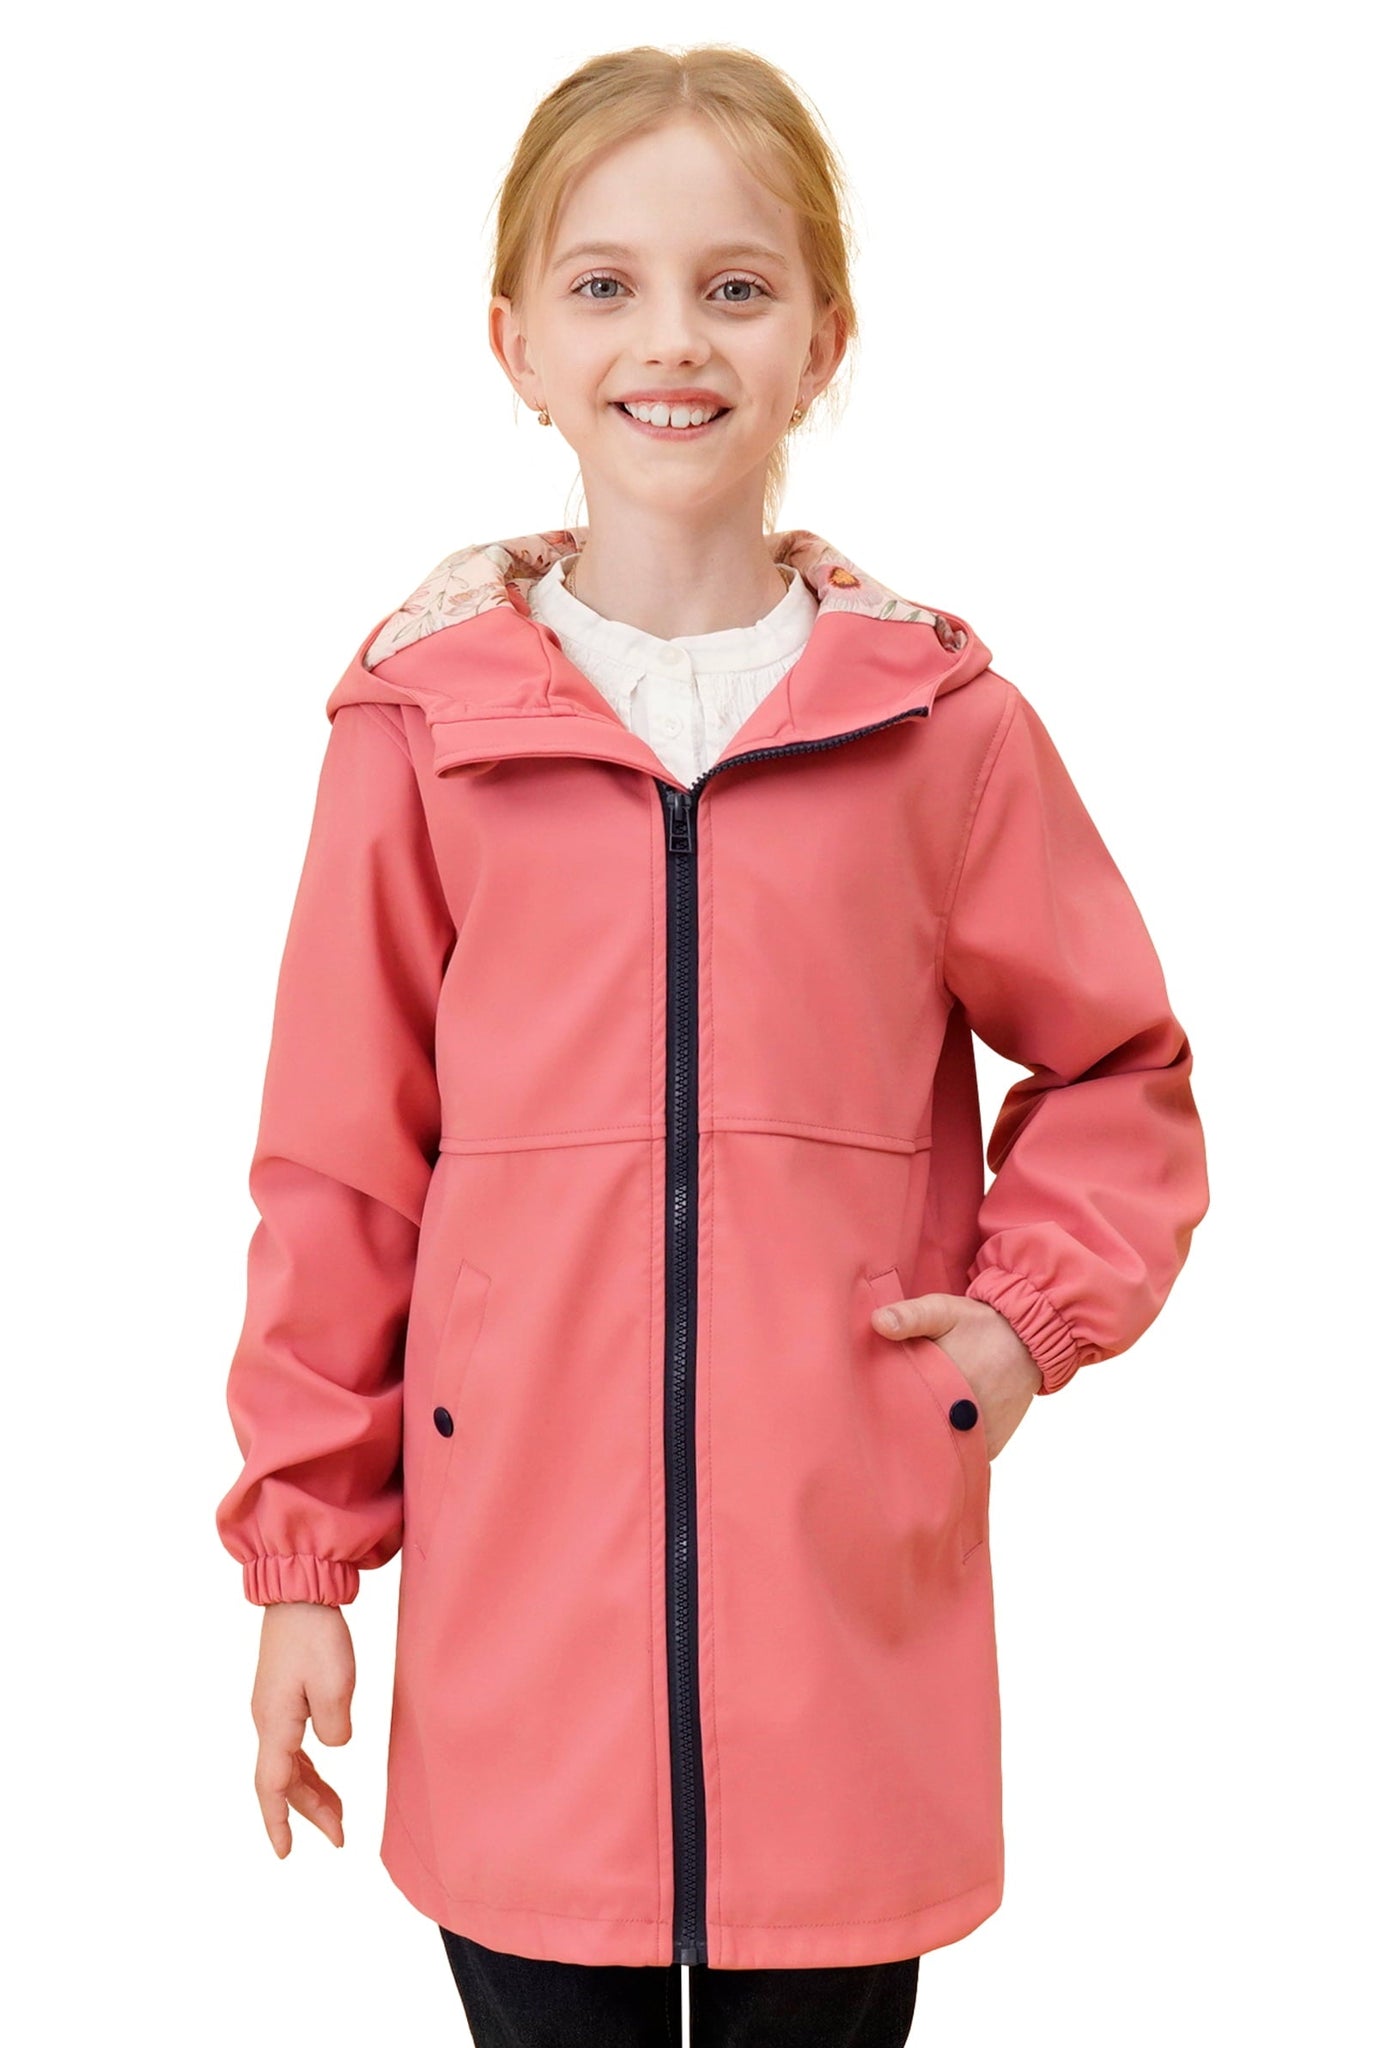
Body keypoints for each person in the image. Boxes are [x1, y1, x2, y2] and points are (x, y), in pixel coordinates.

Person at [214, 41, 1209, 2048]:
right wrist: (306, 1559)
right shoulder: (419, 735)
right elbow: (339, 1167)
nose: (671, 339)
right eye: (606, 285)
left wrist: (1022, 1327)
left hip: (843, 1633)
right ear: (516, 342)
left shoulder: (942, 732)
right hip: (522, 1643)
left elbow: (1120, 1073)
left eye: (734, 286)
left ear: (821, 340)